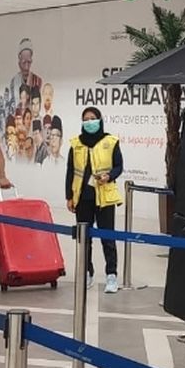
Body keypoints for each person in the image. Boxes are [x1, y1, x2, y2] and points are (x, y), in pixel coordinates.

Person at [65, 107, 123, 293]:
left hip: (104, 198)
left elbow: (119, 166)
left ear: (99, 120)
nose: (89, 122)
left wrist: (110, 175)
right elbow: (70, 171)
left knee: (108, 237)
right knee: (85, 239)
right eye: (86, 119)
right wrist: (69, 196)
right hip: (83, 198)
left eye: (92, 118)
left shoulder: (111, 141)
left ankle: (111, 276)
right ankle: (87, 273)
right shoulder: (76, 144)